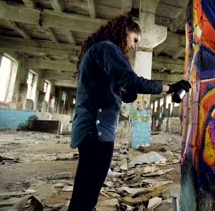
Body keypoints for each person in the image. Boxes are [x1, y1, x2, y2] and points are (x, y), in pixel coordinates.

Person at [68, 14, 191, 210]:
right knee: (87, 193)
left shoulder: (97, 50)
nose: (133, 46)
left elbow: (102, 86)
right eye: (134, 40)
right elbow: (132, 80)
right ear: (124, 31)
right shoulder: (107, 48)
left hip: (92, 129)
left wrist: (121, 93)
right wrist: (169, 87)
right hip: (96, 131)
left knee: (86, 189)